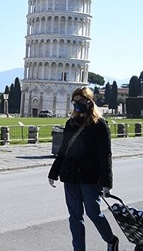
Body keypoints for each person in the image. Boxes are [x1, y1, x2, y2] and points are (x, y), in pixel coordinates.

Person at [48, 87, 119, 251]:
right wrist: (53, 172)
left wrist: (106, 182)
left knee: (94, 213)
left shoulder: (99, 125)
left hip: (89, 178)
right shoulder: (71, 123)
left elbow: (105, 155)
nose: (77, 104)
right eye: (74, 101)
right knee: (75, 217)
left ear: (89, 101)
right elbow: (63, 150)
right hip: (70, 176)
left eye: (80, 101)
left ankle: (110, 239)